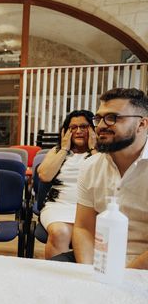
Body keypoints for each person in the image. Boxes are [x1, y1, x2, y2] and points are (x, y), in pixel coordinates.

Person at [72, 88, 148, 269]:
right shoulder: (90, 166)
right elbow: (83, 228)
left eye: (113, 117)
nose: (100, 126)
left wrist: (124, 277)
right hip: (100, 260)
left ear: (142, 125)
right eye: (98, 118)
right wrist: (88, 272)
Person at [37, 110, 96, 259]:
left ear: (93, 128)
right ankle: (56, 279)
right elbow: (44, 176)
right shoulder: (57, 151)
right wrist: (64, 149)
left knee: (85, 237)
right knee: (59, 233)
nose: (78, 131)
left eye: (84, 127)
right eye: (73, 128)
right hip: (58, 206)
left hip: (89, 208)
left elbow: (106, 178)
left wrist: (94, 149)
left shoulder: (103, 153)